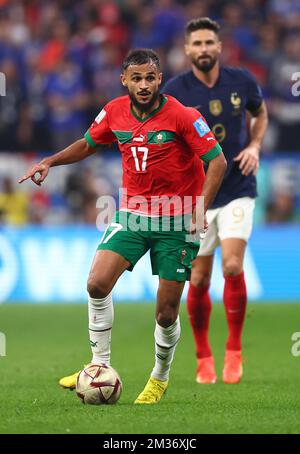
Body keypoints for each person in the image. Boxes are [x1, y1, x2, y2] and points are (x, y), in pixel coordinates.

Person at [19, 49, 227, 403]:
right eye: (136, 78)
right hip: (133, 213)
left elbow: (217, 161)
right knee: (97, 284)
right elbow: (88, 145)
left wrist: (200, 208)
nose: (144, 85)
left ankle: (159, 378)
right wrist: (50, 161)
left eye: (150, 78)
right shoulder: (114, 111)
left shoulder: (182, 115)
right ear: (124, 81)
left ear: (159, 79)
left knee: (165, 311)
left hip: (178, 218)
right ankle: (99, 365)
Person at [164, 18, 268, 384]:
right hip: (197, 196)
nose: (204, 48)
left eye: (210, 42)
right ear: (187, 49)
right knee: (199, 278)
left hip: (238, 186)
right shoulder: (174, 91)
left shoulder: (242, 80)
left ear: (219, 46)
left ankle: (234, 351)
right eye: (197, 43)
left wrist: (254, 145)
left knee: (234, 266)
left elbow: (260, 112)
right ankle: (203, 355)